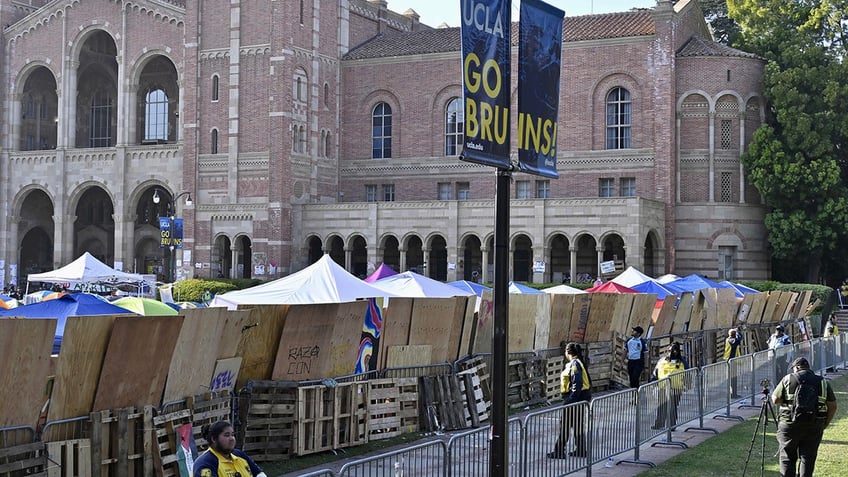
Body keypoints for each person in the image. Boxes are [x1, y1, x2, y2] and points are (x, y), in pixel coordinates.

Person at [771, 357, 837, 477]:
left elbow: (775, 400)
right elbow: (832, 405)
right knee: (808, 458)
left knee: (787, 457)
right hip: (815, 424)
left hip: (789, 424)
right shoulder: (822, 381)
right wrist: (825, 423)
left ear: (796, 367)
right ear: (808, 367)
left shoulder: (788, 379)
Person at [548, 342, 592, 459]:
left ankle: (559, 450)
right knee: (577, 425)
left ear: (568, 352)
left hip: (574, 399)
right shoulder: (579, 363)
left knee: (565, 426)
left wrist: (571, 400)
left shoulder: (574, 364)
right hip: (580, 398)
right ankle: (581, 449)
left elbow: (577, 383)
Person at [194, 421, 267, 477]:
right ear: (214, 439)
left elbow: (259, 474)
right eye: (226, 435)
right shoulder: (206, 463)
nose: (232, 439)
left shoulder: (239, 455)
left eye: (232, 435)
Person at [651, 342, 689, 430]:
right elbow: (656, 372)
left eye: (673, 350)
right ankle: (659, 424)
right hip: (663, 387)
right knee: (662, 406)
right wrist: (653, 382)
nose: (671, 352)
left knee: (673, 406)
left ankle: (672, 425)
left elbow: (687, 373)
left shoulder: (682, 362)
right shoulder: (662, 360)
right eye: (669, 350)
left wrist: (687, 384)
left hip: (676, 388)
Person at [724, 328, 744, 398]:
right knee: (732, 378)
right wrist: (739, 332)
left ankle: (734, 393)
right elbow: (739, 339)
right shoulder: (731, 340)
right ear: (734, 335)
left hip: (731, 361)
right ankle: (732, 394)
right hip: (730, 361)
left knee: (733, 378)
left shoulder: (729, 339)